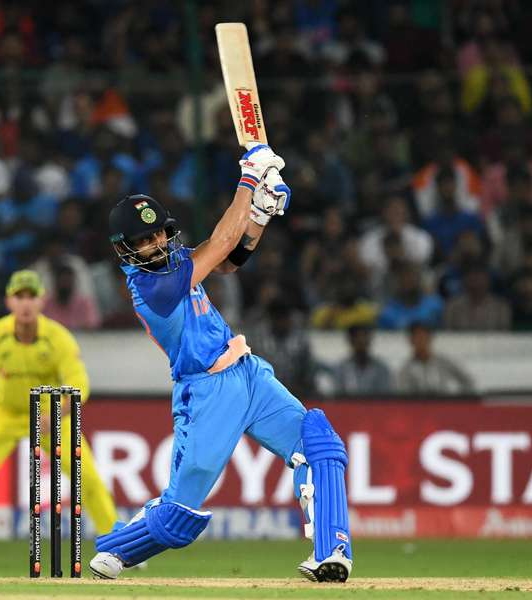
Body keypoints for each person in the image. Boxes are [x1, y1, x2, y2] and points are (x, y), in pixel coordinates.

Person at [90, 144, 353, 583]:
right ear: (126, 249)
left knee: (319, 442)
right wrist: (249, 180)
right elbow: (223, 240)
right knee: (180, 519)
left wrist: (261, 215)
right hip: (206, 392)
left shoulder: (175, 259)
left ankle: (332, 552)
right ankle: (116, 549)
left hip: (247, 371)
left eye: (159, 234)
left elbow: (230, 260)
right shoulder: (151, 289)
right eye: (144, 240)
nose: (156, 243)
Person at [0, 270, 118, 570]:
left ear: (42, 300)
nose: (26, 304)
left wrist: (56, 415)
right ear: (9, 301)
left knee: (88, 477)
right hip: (3, 414)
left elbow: (79, 387)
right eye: (20, 297)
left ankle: (119, 548)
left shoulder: (58, 338)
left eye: (32, 296)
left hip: (48, 415)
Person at [396, 322, 475, 394]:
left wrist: (458, 400)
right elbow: (402, 394)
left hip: (443, 406)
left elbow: (468, 381)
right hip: (418, 407)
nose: (420, 341)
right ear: (411, 341)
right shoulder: (406, 369)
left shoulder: (444, 362)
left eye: (423, 337)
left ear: (430, 339)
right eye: (416, 338)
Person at [333, 324, 392, 394]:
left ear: (369, 340)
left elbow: (386, 398)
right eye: (357, 339)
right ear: (350, 341)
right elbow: (338, 398)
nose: (362, 342)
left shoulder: (381, 369)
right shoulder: (341, 369)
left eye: (365, 338)